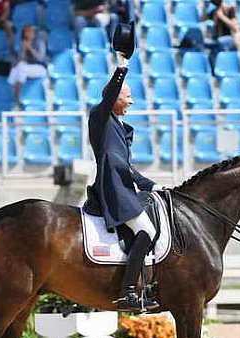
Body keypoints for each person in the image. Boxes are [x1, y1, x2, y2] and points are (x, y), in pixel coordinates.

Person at [83, 50, 165, 313]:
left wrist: (152, 186)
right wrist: (122, 66)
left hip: (124, 187)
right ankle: (128, 291)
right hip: (114, 189)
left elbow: (128, 168)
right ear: (114, 98)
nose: (131, 101)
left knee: (146, 230)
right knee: (148, 232)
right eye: (127, 97)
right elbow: (119, 170)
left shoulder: (118, 125)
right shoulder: (101, 116)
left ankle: (142, 285)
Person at [7, 25, 47, 97]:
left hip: (41, 68)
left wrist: (30, 48)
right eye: (26, 31)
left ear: (34, 33)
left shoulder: (39, 42)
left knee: (21, 68)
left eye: (30, 31)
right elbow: (20, 60)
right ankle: (9, 92)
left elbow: (40, 58)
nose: (27, 33)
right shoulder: (23, 43)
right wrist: (24, 50)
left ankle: (19, 92)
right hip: (26, 69)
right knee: (15, 69)